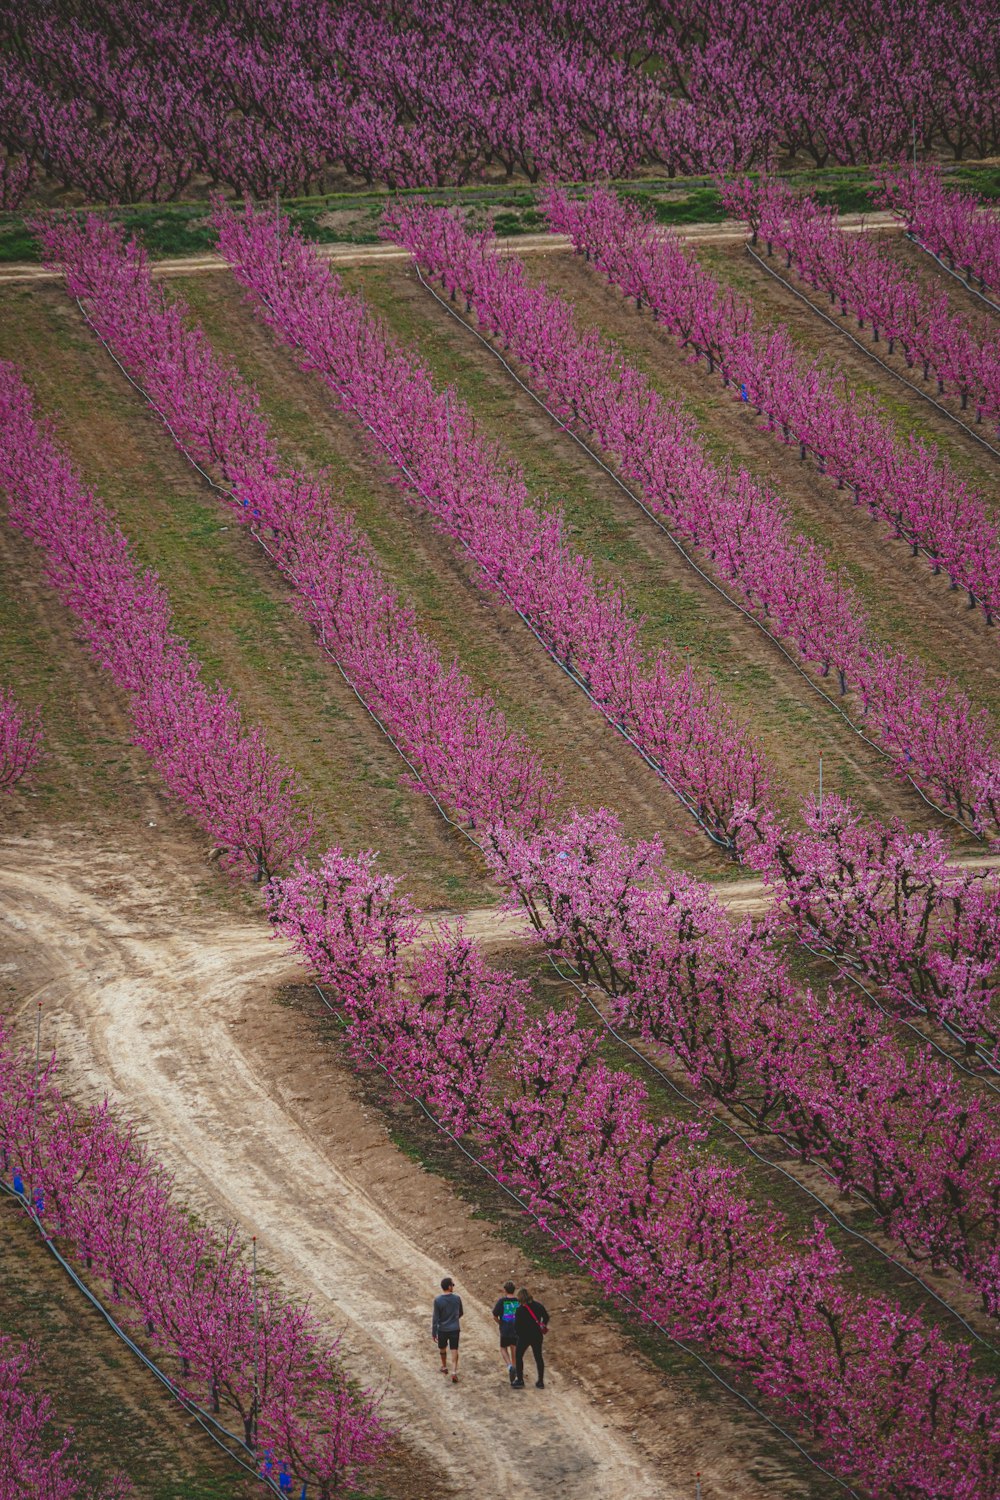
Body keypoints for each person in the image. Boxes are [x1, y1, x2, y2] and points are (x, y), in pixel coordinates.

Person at [511, 1285, 549, 1389]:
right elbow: (546, 1316)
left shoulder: (519, 1310)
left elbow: (517, 1326)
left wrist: (519, 1335)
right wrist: (543, 1324)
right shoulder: (538, 1306)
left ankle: (520, 1379)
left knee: (519, 1356)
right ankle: (540, 1381)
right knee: (538, 1357)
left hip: (524, 1337)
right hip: (537, 1335)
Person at [431, 1276, 463, 1382]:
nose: (453, 1287)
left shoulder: (438, 1300)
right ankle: (454, 1372)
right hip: (454, 1328)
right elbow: (461, 1312)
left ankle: (444, 1367)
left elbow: (435, 1318)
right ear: (449, 1287)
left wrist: (434, 1332)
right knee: (454, 1349)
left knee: (442, 1348)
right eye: (452, 1285)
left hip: (442, 1329)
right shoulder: (457, 1298)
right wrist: (454, 1319)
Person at [491, 1280, 520, 1383]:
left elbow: (494, 1315)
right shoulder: (518, 1302)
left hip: (505, 1329)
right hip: (516, 1329)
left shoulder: (502, 1301)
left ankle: (509, 1366)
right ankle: (515, 1369)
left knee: (503, 1348)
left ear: (505, 1290)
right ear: (514, 1290)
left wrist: (500, 1323)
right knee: (514, 1349)